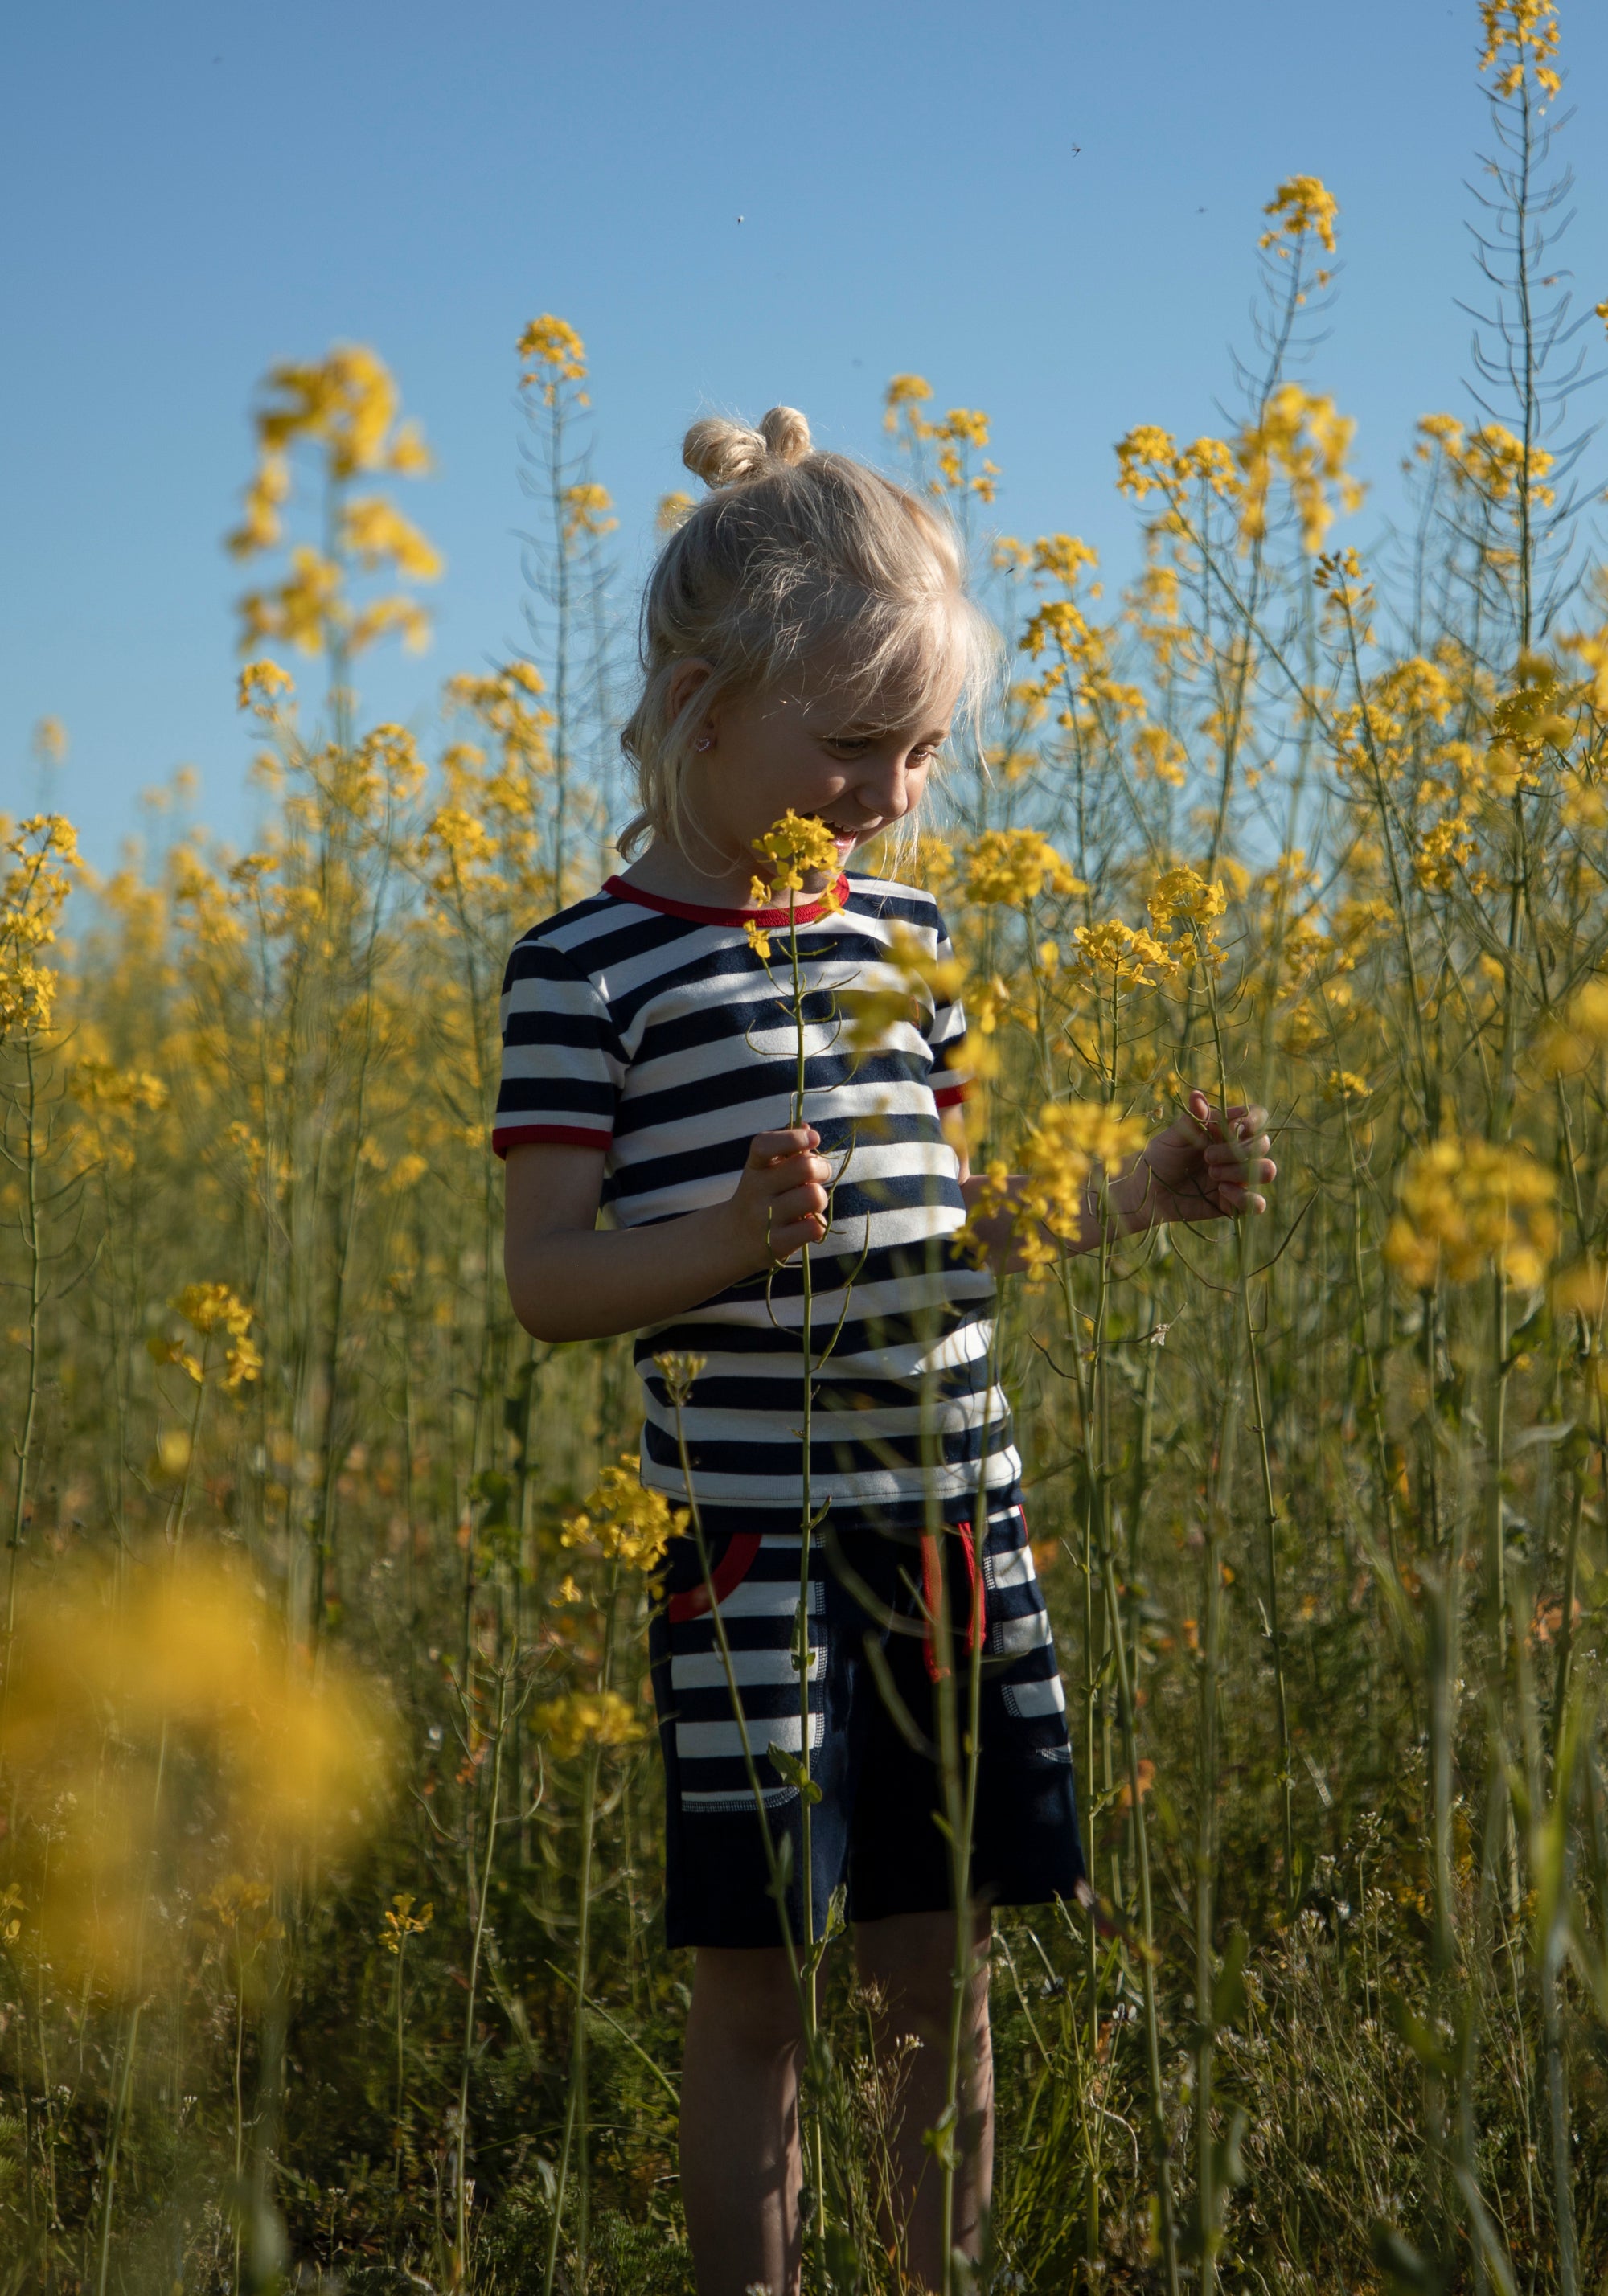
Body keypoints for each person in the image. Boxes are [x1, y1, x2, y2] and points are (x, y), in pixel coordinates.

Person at [496, 405, 1276, 2296]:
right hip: (743, 1551)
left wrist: (1134, 1197)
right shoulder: (585, 969)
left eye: (923, 750)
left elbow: (963, 1215)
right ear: (694, 705)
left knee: (941, 1971)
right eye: (854, 745)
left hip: (946, 1524)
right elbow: (548, 1281)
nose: (897, 791)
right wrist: (725, 1240)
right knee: (755, 1980)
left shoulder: (909, 930)